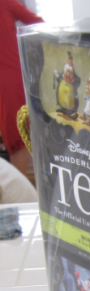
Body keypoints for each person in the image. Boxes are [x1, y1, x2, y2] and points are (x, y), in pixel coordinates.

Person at [0, 0, 43, 181]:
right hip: (8, 76)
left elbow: (39, 24)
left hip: (9, 77)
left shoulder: (5, 3)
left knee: (15, 138)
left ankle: (16, 193)